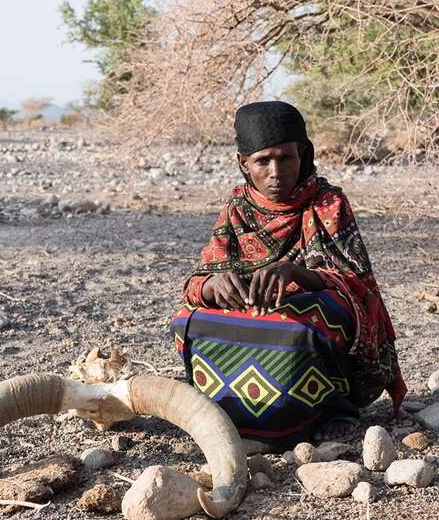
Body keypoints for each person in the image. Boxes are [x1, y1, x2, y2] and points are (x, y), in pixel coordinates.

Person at [169, 101, 406, 451]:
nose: (276, 171)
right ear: (243, 164)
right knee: (189, 319)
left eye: (286, 158)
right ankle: (231, 408)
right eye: (263, 161)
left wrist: (299, 274)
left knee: (312, 320)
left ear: (304, 154)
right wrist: (213, 285)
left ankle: (329, 410)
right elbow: (198, 278)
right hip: (253, 309)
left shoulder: (328, 204)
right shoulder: (237, 209)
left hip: (309, 310)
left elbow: (359, 285)